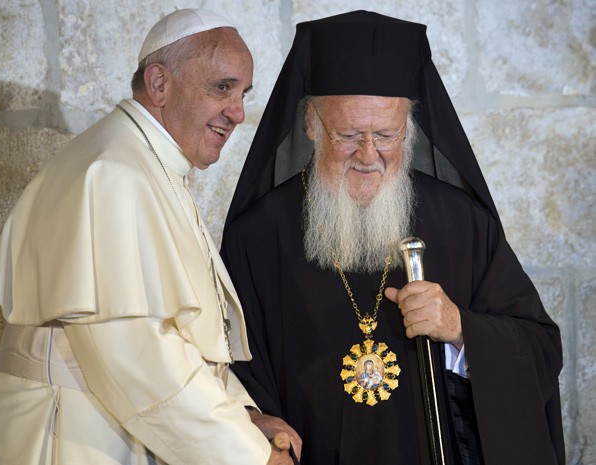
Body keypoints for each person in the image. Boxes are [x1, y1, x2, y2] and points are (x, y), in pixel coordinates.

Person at [221, 10, 565, 465]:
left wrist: (461, 328)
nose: (368, 155)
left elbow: (540, 349)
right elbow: (223, 372)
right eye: (348, 135)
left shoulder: (462, 222)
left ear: (410, 129)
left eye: (386, 135)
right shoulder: (258, 235)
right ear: (310, 125)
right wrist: (253, 424)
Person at [0, 8, 299, 465]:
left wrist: (243, 412)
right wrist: (248, 455)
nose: (238, 112)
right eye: (222, 87)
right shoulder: (114, 173)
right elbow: (139, 358)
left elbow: (181, 336)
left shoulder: (146, 163)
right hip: (65, 439)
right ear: (159, 84)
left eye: (243, 93)